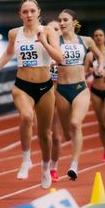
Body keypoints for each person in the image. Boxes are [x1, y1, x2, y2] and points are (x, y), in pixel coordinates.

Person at [0, 0, 63, 189]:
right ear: (20, 14)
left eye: (32, 11)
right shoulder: (14, 33)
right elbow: (8, 53)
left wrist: (43, 41)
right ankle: (26, 160)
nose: (29, 15)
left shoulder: (49, 31)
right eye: (25, 11)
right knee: (27, 117)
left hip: (45, 87)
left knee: (45, 133)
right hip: (22, 86)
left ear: (39, 12)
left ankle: (45, 169)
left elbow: (60, 58)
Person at [55, 9, 104, 180]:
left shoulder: (86, 40)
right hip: (61, 90)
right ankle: (70, 143)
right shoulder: (55, 40)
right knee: (67, 134)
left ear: (73, 22)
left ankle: (74, 166)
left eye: (65, 20)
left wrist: (100, 66)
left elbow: (99, 55)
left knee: (76, 124)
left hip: (80, 89)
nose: (61, 23)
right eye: (59, 20)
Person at [84, 28, 105, 162]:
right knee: (101, 123)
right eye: (95, 35)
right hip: (96, 90)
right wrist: (90, 70)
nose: (98, 37)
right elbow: (85, 72)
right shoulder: (90, 56)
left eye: (100, 35)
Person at [47, 20, 65, 183]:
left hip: (61, 94)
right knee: (45, 134)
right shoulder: (41, 47)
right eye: (51, 28)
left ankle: (53, 167)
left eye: (56, 29)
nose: (53, 31)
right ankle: (46, 164)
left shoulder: (67, 49)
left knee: (57, 137)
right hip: (44, 93)